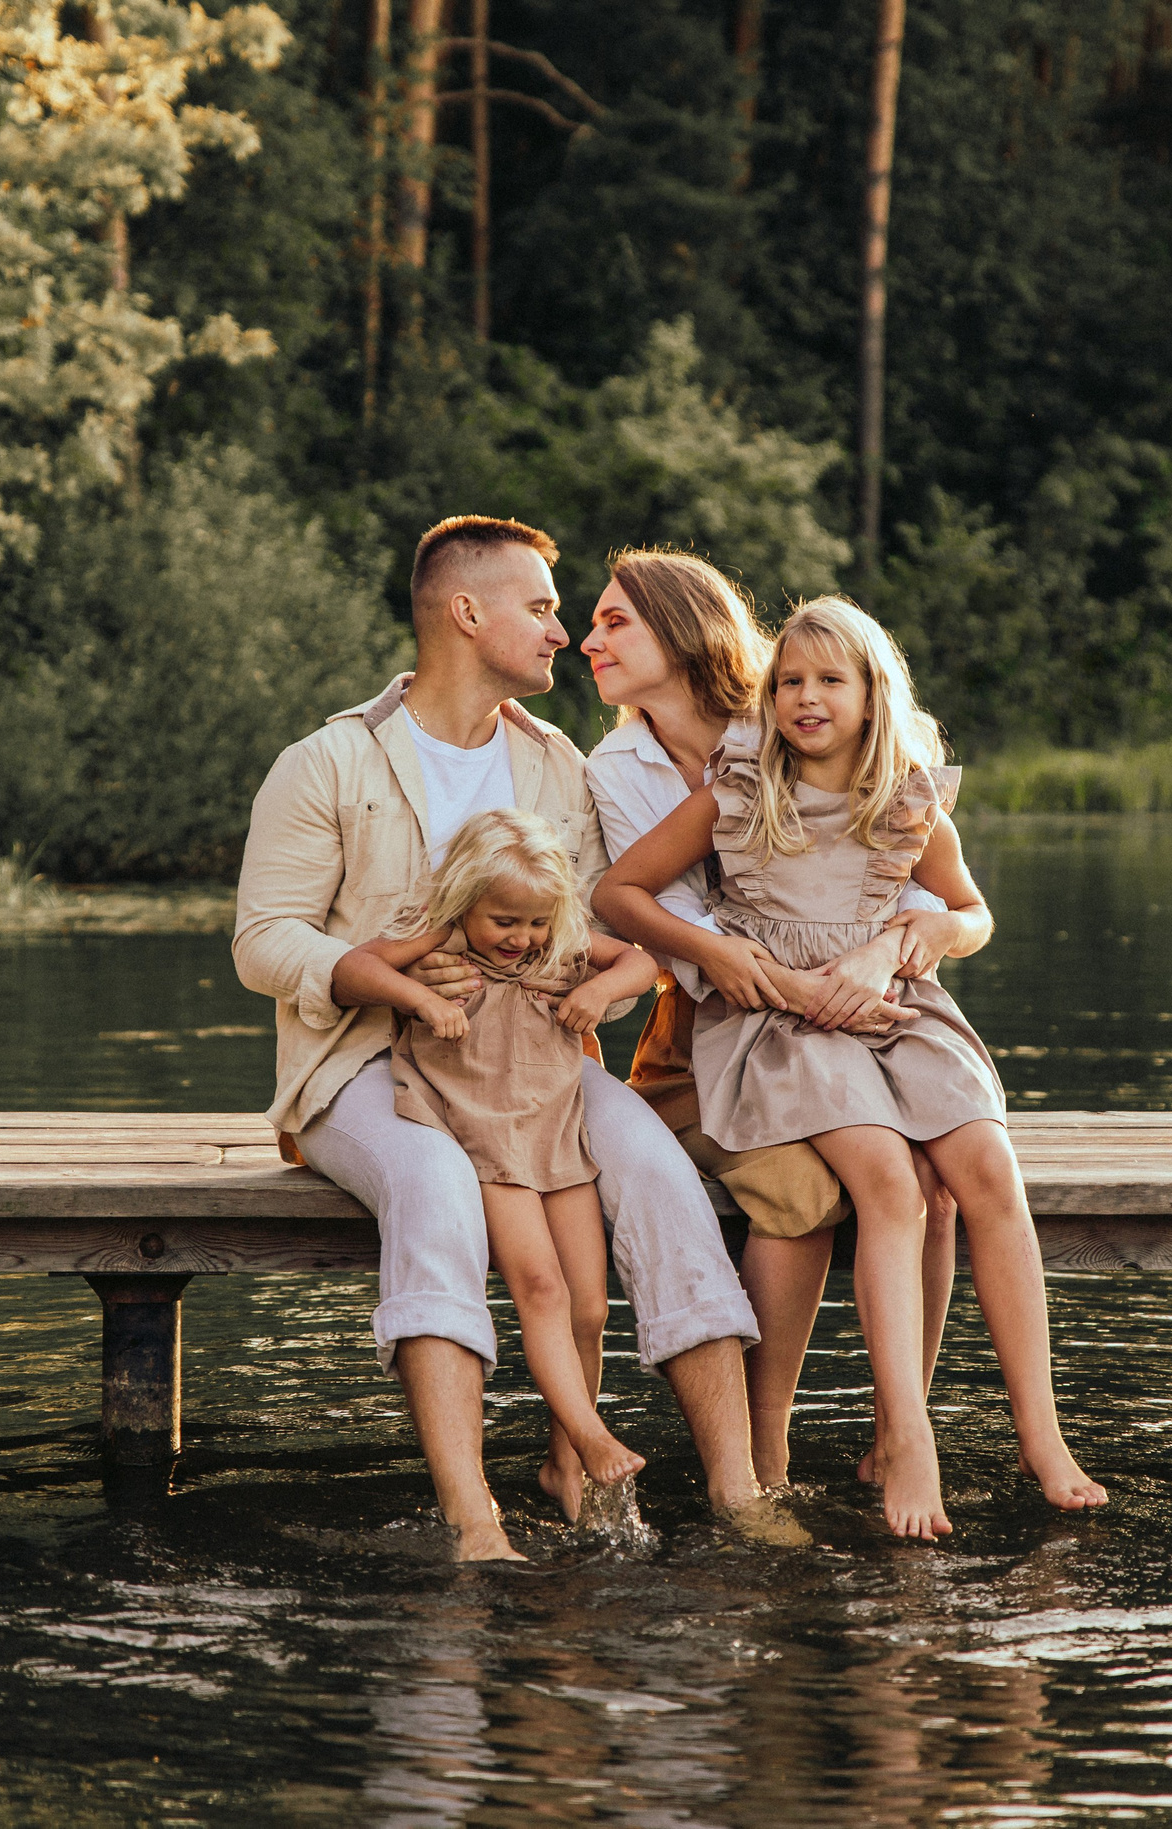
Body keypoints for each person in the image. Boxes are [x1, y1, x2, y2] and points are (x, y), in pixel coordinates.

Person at [233, 513, 785, 1562]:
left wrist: (595, 983)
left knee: (661, 1176)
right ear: (466, 611)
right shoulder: (327, 761)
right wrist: (381, 968)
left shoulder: (554, 766)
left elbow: (594, 936)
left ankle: (737, 1490)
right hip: (362, 1062)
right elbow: (263, 940)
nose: (559, 632)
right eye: (538, 607)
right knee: (434, 1186)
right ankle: (474, 1519)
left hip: (535, 1063)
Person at [597, 595, 1108, 1540]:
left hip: (896, 1008)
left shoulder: (909, 799)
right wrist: (728, 960)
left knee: (985, 1168)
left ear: (875, 695)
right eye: (788, 680)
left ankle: (1041, 1429)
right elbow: (618, 891)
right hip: (777, 1026)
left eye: (830, 679)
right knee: (888, 1178)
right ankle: (908, 1434)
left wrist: (926, 930)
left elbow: (974, 916)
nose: (804, 696)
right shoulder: (738, 789)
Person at [580, 549, 961, 1494]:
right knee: (798, 1190)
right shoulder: (617, 766)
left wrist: (893, 949)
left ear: (680, 627)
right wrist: (806, 984)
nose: (590, 640)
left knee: (932, 1176)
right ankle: (763, 1450)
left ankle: (899, 1428)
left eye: (614, 619)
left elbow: (908, 881)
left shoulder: (791, 720)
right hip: (709, 1044)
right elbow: (689, 932)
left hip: (845, 1019)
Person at [332, 807, 663, 1497]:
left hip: (555, 1127)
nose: (521, 938)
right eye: (504, 921)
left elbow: (642, 962)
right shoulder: (443, 937)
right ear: (467, 901)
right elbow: (357, 965)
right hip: (480, 1130)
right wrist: (419, 997)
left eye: (535, 921)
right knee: (540, 1287)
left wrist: (599, 989)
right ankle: (593, 1435)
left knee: (591, 1307)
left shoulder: (560, 944)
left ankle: (563, 1464)